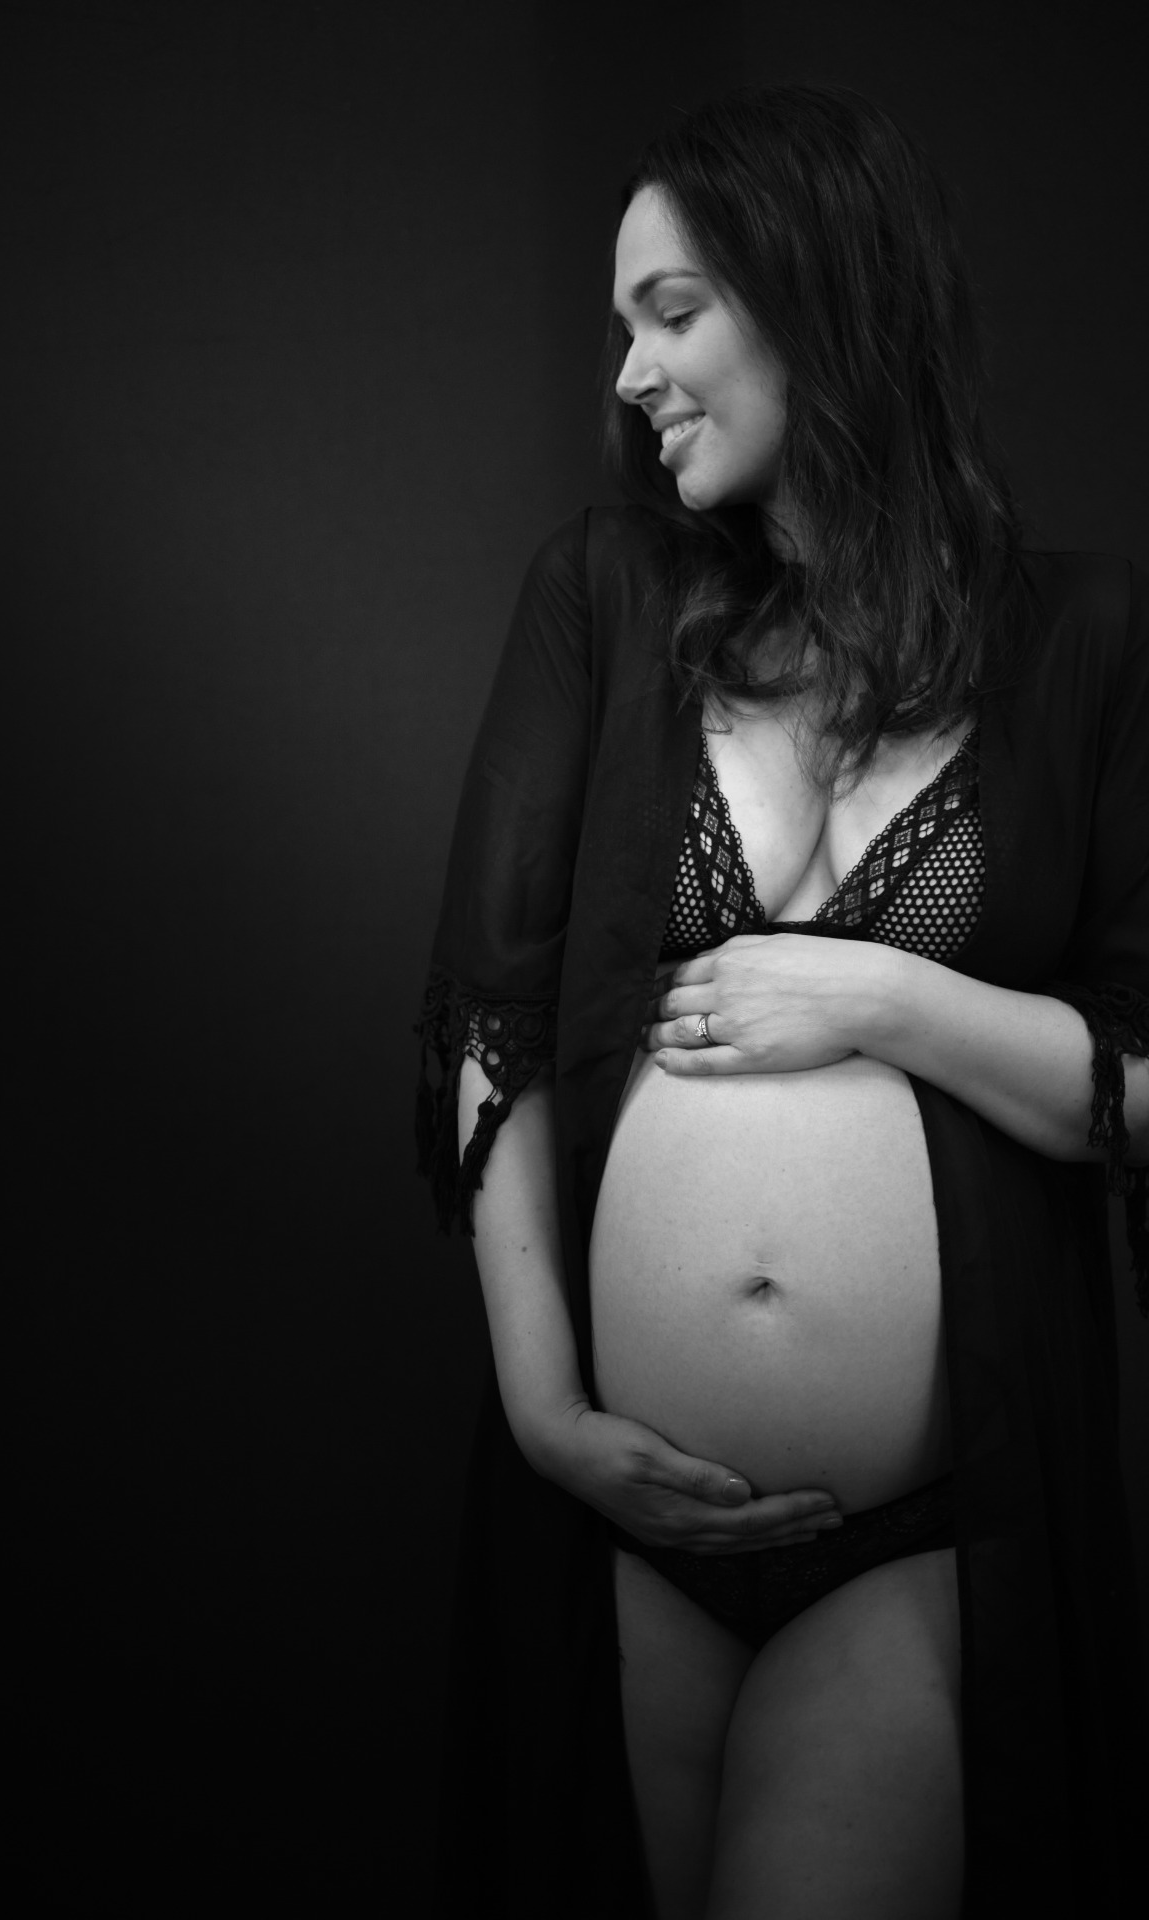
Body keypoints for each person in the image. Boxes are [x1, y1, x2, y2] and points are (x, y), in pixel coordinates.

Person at [415, 85, 1147, 1920]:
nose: (632, 375)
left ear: (820, 298)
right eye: (622, 326)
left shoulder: (1086, 642)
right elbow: (493, 1014)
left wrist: (888, 1001)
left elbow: (1142, 1078)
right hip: (616, 1523)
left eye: (672, 312)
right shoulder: (601, 596)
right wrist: (547, 1413)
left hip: (918, 1540)